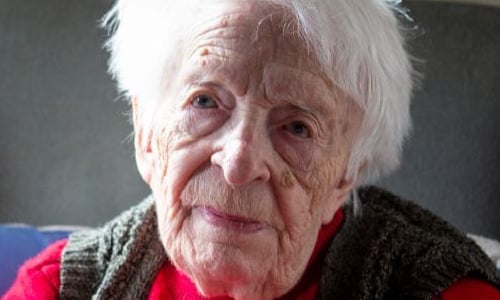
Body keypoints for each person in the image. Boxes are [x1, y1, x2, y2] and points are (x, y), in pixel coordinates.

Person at [3, 0, 499, 299]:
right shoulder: (65, 287)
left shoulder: (442, 291)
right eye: (205, 101)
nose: (238, 162)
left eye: (297, 127)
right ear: (146, 132)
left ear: (346, 175)